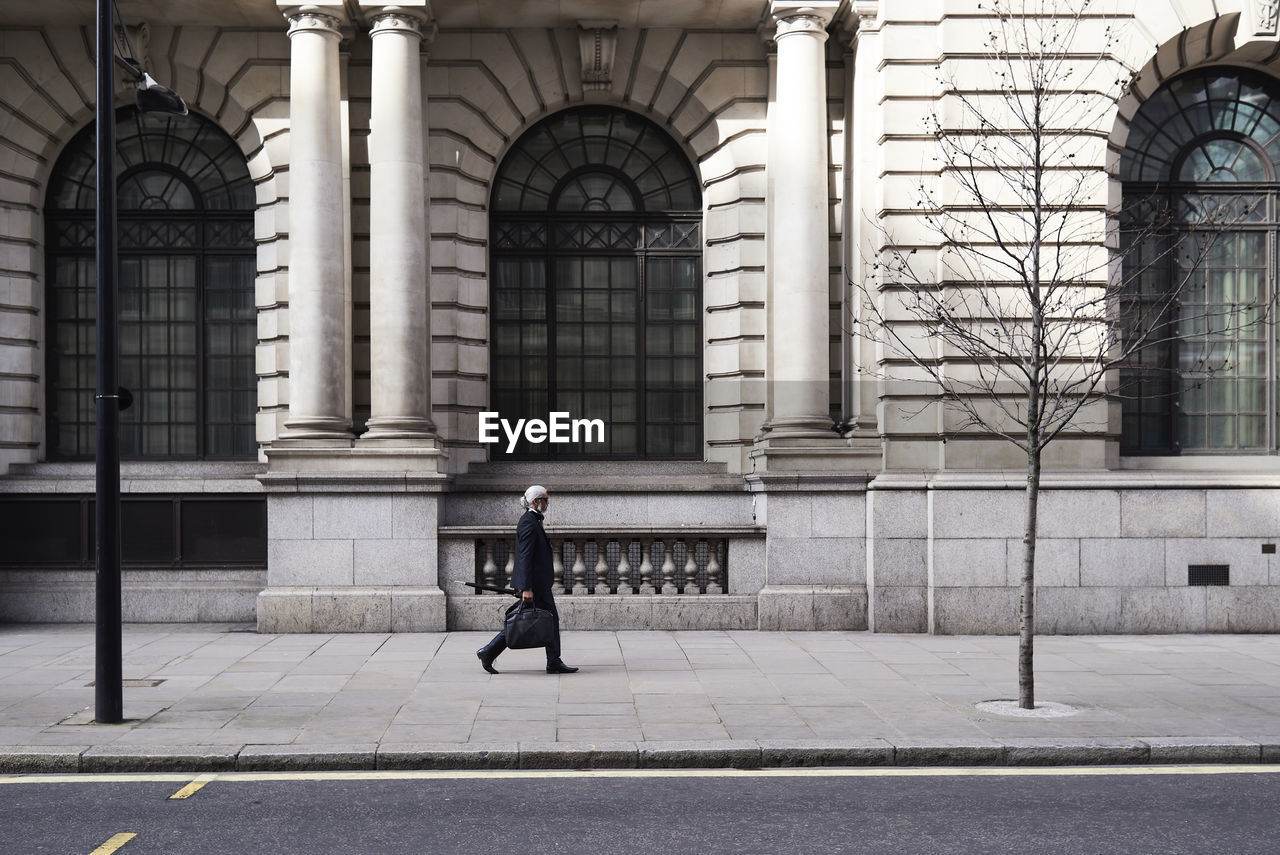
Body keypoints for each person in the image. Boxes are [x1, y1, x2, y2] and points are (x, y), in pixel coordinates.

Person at [476, 485, 578, 674]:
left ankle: (551, 660)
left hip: (538, 583)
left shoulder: (533, 520)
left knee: (537, 620)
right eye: (545, 499)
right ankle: (490, 652)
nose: (548, 503)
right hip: (534, 585)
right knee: (527, 621)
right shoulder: (528, 523)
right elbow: (525, 557)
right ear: (536, 502)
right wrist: (526, 588)